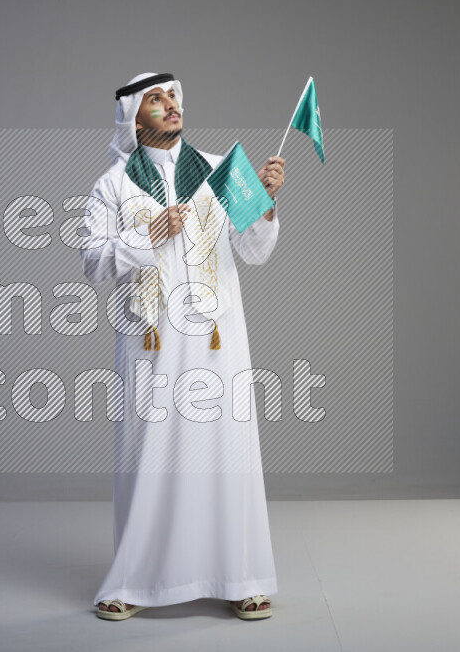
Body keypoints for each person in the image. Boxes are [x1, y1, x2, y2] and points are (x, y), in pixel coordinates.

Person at [79, 72, 285, 621]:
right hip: (148, 344)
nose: (170, 105)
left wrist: (264, 205)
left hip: (218, 342)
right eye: (155, 99)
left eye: (172, 95)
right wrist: (146, 237)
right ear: (133, 116)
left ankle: (241, 576)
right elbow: (93, 263)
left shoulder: (222, 171)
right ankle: (134, 579)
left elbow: (255, 250)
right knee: (147, 457)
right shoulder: (114, 185)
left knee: (227, 450)